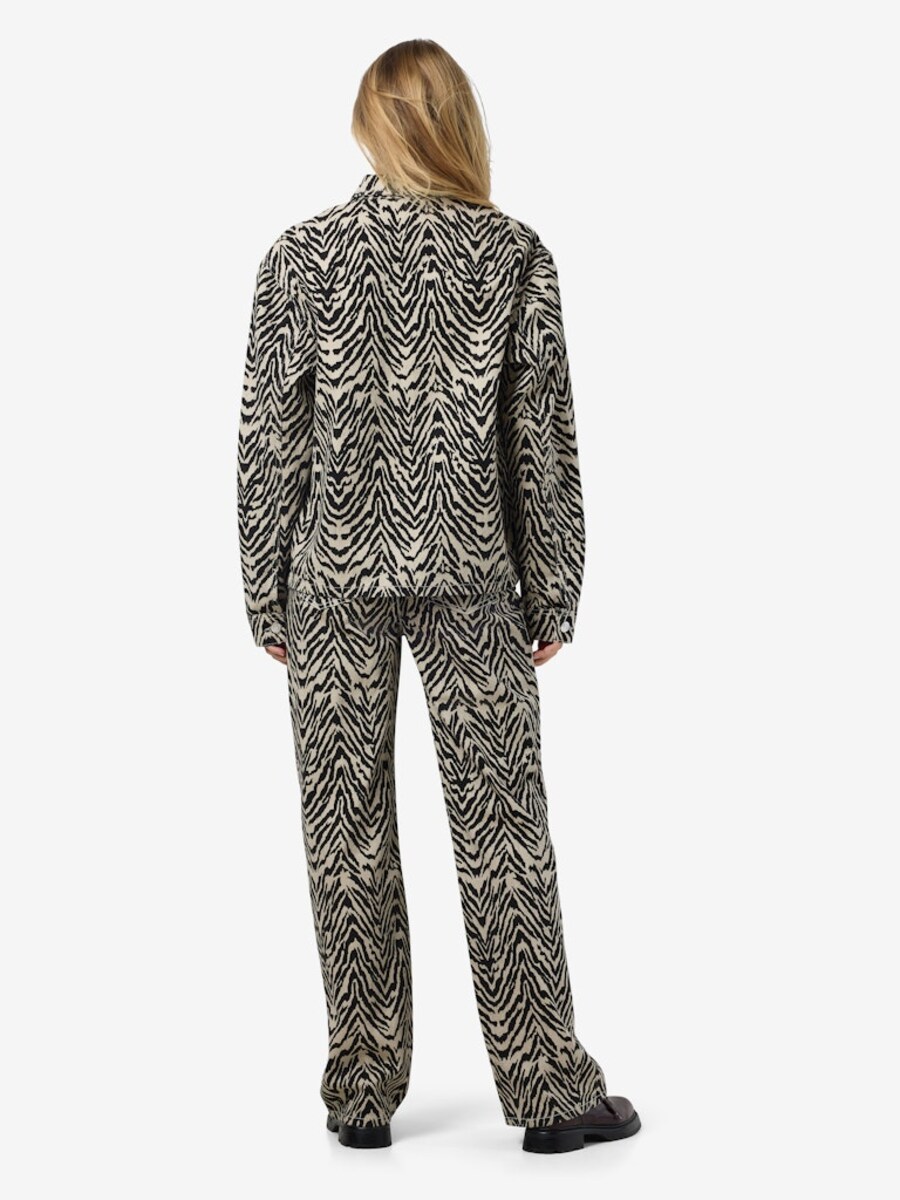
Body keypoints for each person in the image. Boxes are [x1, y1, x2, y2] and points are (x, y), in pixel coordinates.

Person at [236, 37, 640, 1155]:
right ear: (459, 124)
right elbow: (539, 441)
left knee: (344, 831)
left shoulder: (299, 258)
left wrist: (266, 590)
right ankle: (549, 1093)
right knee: (505, 828)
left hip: (332, 578)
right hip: (472, 573)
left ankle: (361, 1092)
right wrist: (552, 587)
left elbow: (270, 439)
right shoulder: (511, 256)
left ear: (369, 126)